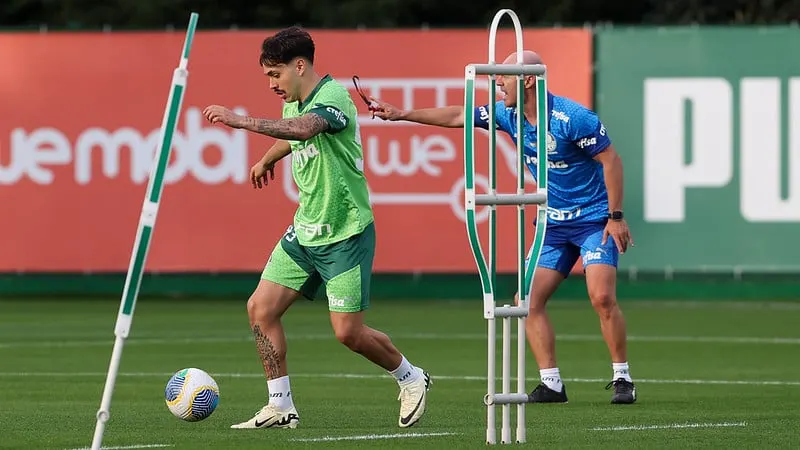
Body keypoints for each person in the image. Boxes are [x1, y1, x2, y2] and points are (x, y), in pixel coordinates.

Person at [370, 50, 636, 404]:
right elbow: (457, 115)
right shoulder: (506, 114)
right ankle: (551, 383)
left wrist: (615, 216)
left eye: (504, 77)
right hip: (552, 224)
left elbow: (611, 160)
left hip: (592, 220)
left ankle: (622, 378)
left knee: (602, 297)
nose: (497, 82)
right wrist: (403, 114)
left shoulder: (572, 117)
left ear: (527, 79)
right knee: (526, 300)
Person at [202, 26, 431, 430]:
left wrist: (240, 122)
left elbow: (306, 129)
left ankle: (411, 378)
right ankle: (279, 404)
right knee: (260, 309)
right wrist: (269, 159)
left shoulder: (333, 97)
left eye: (276, 74)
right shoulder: (295, 102)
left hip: (345, 232)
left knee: (348, 334)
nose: (273, 84)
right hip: (305, 231)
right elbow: (292, 137)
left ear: (300, 65)